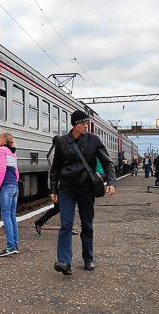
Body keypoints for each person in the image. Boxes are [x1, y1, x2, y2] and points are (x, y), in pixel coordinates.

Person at [49, 109, 116, 275]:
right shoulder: (62, 142)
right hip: (66, 189)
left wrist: (111, 182)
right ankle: (64, 261)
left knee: (87, 224)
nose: (87, 126)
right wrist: (53, 189)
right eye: (83, 123)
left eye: (87, 123)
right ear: (75, 124)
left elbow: (107, 163)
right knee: (65, 224)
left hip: (86, 188)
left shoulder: (93, 140)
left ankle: (88, 257)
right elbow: (55, 168)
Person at [0, 132, 19, 256]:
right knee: (12, 215)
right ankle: (15, 244)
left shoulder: (1, 150)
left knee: (6, 215)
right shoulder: (12, 152)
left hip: (6, 187)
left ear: (3, 139)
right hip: (14, 186)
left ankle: (10, 246)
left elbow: (2, 170)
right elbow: (16, 172)